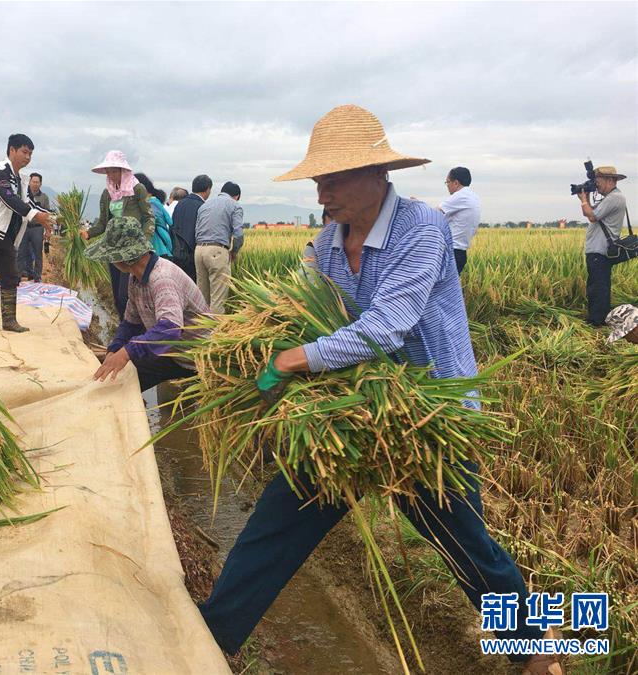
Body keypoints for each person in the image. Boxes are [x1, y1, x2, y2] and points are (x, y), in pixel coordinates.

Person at [198, 104, 563, 675]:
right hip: (354, 410)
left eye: (334, 179)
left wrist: (296, 359)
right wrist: (258, 336)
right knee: (278, 521)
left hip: (426, 412)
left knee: (466, 545)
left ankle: (536, 650)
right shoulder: (328, 237)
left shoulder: (423, 228)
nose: (323, 194)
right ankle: (214, 633)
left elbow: (389, 324)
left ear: (377, 174)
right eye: (318, 180)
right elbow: (312, 305)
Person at [85, 215, 209, 392]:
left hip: (197, 358)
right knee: (117, 383)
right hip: (172, 353)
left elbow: (170, 329)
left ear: (122, 258)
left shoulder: (162, 279)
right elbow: (131, 323)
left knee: (128, 373)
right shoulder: (135, 278)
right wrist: (114, 349)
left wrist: (127, 352)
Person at [0, 134, 55, 333]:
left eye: (30, 154)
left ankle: (9, 321)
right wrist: (36, 215)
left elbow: (28, 203)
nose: (28, 157)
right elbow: (7, 197)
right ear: (12, 150)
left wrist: (49, 218)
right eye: (24, 152)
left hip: (5, 235)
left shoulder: (22, 180)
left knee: (10, 275)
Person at [83, 150, 155, 319]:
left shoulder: (137, 189)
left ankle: (136, 328)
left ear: (124, 171)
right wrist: (88, 233)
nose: (111, 174)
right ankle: (124, 326)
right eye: (108, 171)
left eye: (115, 170)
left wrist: (143, 242)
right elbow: (102, 223)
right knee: (117, 296)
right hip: (113, 249)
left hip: (133, 249)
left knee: (127, 294)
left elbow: (149, 218)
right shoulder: (107, 194)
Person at [577, 166, 628, 326]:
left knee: (597, 287)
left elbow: (592, 216)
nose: (596, 185)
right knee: (599, 284)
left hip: (600, 250)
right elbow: (593, 213)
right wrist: (586, 199)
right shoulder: (611, 198)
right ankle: (601, 318)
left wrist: (584, 199)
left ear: (610, 180)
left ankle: (597, 321)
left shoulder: (615, 198)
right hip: (598, 250)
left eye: (597, 181)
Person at [194, 181, 244, 313]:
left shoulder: (205, 205)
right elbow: (238, 234)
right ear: (236, 196)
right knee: (218, 298)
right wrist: (234, 252)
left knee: (202, 298)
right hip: (217, 251)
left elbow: (197, 229)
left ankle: (200, 330)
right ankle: (215, 332)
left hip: (199, 250)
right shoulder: (234, 205)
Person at [439, 166, 481, 273]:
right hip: (461, 253)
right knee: (449, 288)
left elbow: (434, 213)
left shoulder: (460, 196)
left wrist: (418, 206)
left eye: (447, 182)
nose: (447, 185)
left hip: (450, 252)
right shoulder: (474, 197)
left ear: (456, 183)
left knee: (438, 288)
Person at [170, 175, 213, 282]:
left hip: (176, 252)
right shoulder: (202, 206)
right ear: (207, 189)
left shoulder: (180, 204)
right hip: (191, 256)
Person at [17, 172, 52, 282]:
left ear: (40, 184)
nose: (35, 184)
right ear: (29, 182)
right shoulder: (24, 195)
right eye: (33, 182)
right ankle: (18, 276)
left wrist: (48, 230)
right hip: (24, 227)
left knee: (37, 253)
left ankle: (37, 277)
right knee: (21, 252)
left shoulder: (44, 197)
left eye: (38, 182)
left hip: (37, 228)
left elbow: (47, 215)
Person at [135, 172, 174, 259]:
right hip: (164, 248)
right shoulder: (157, 202)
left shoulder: (147, 204)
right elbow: (170, 221)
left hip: (154, 250)